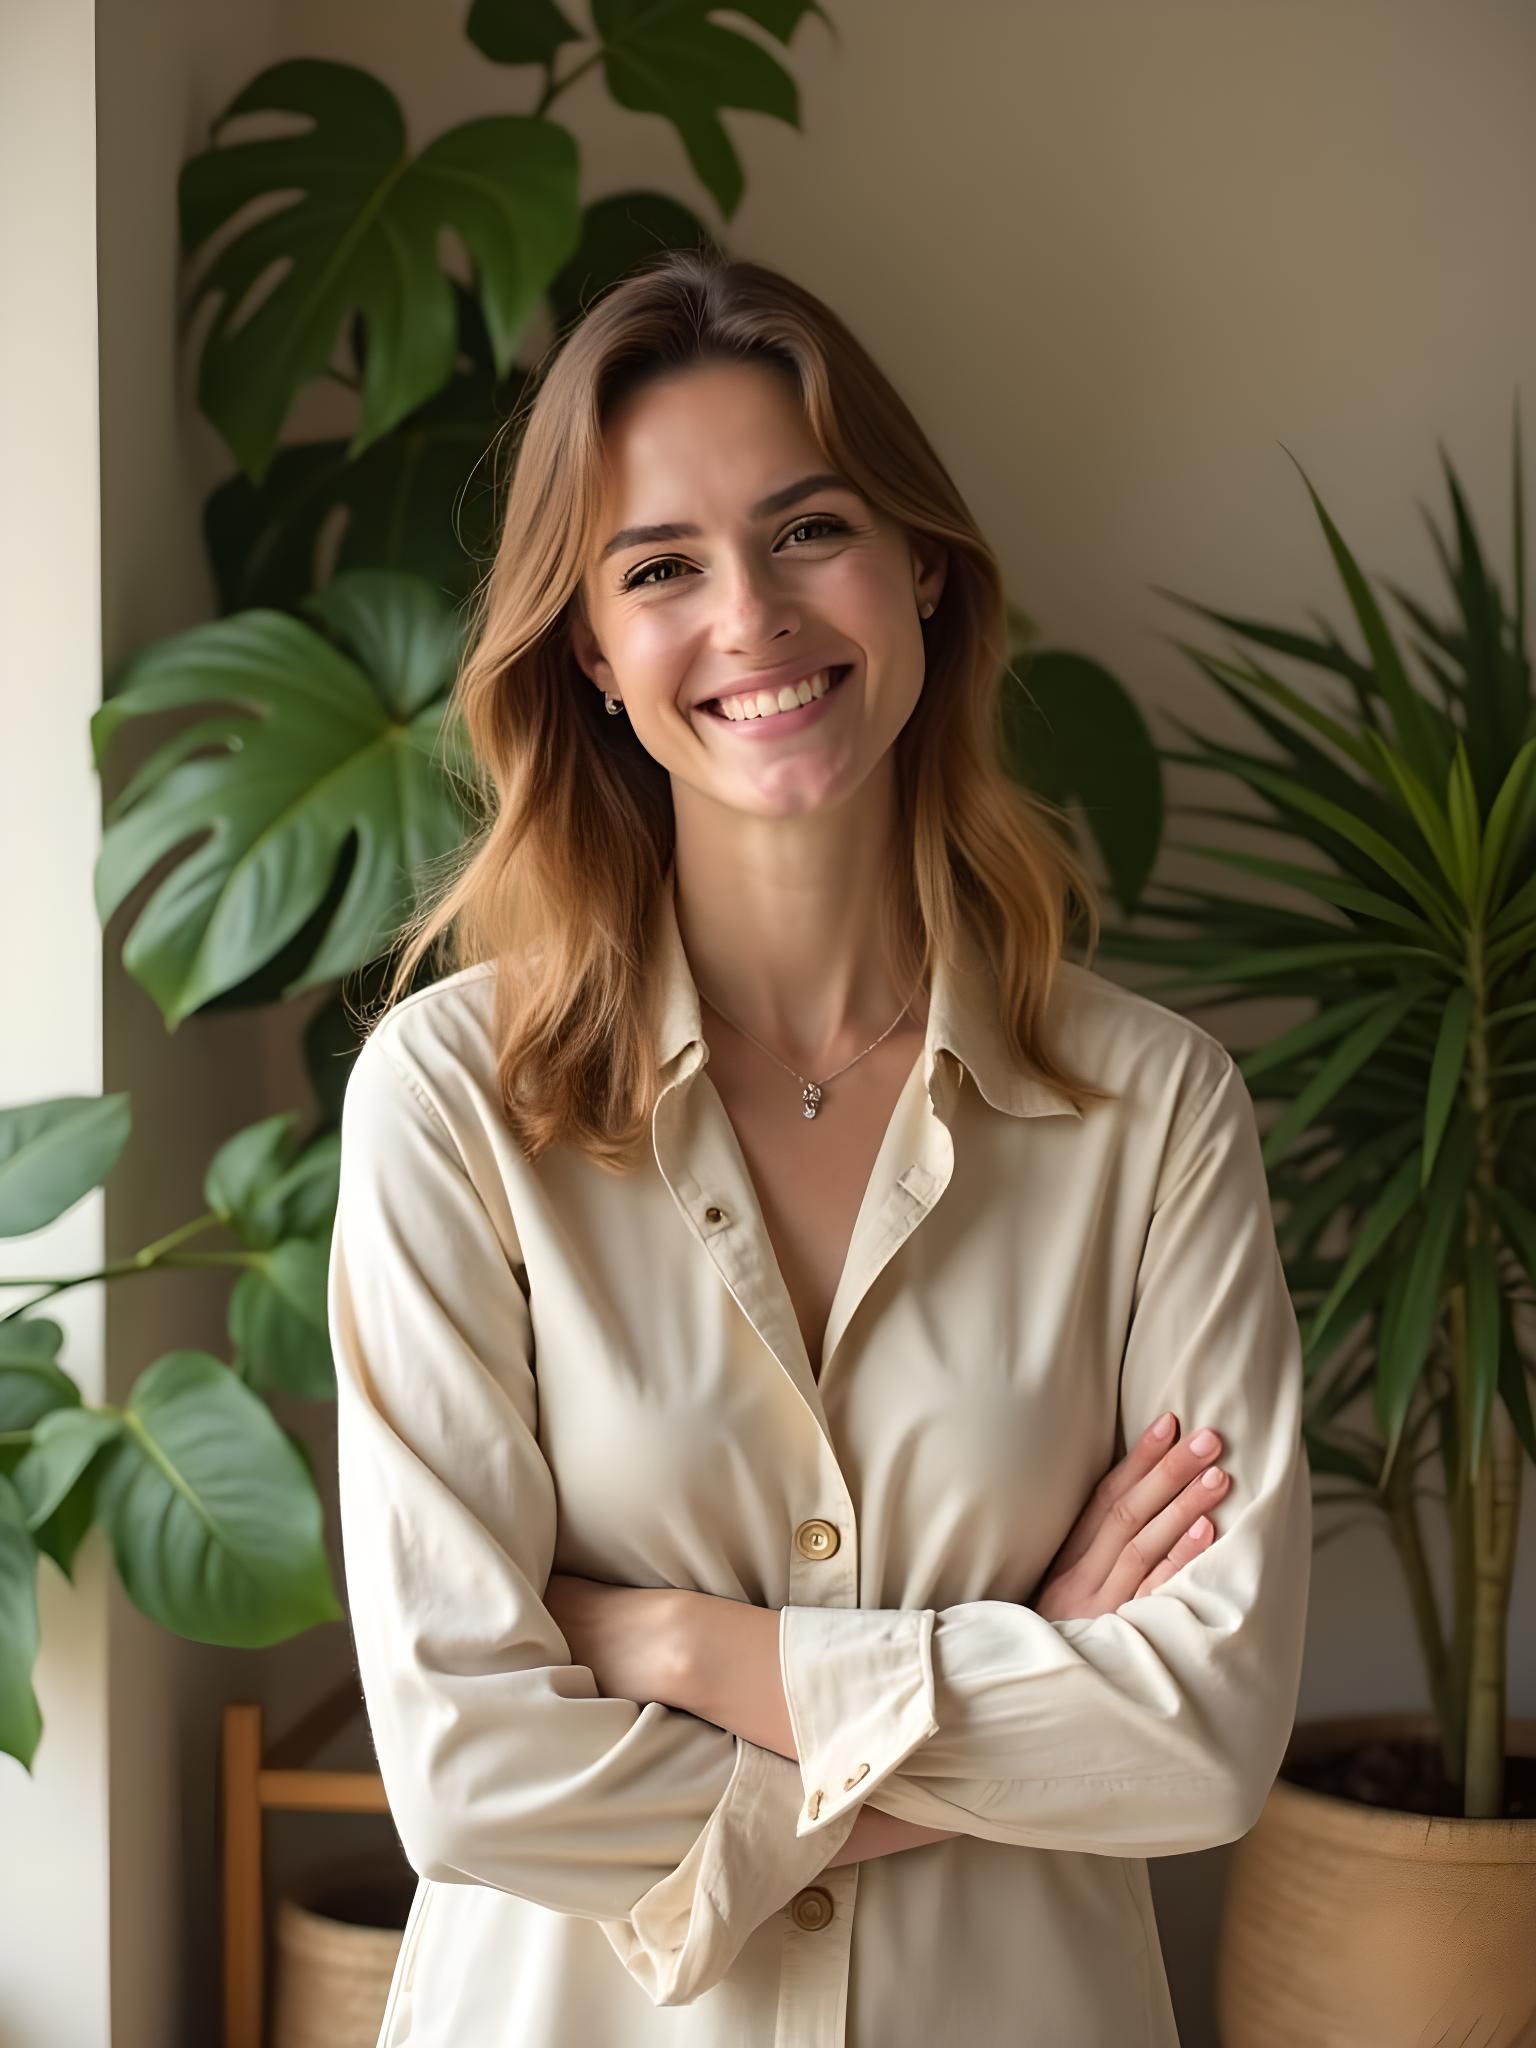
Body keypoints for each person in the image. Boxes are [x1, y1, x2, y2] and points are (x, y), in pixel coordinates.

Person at [328, 246, 1312, 2048]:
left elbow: (1203, 1733)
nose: (754, 620)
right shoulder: (452, 1104)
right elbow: (471, 1777)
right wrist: (1022, 1672)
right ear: (595, 660)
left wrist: (687, 1649)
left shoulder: (1154, 1117)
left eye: (807, 530)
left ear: (922, 564)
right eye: (660, 569)